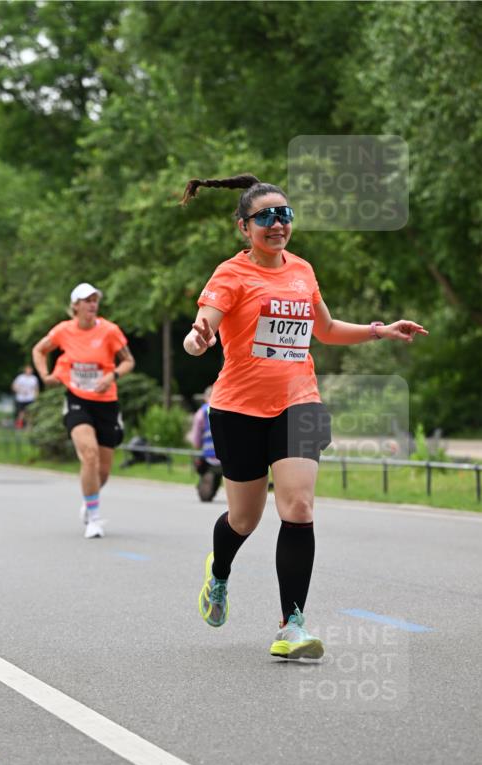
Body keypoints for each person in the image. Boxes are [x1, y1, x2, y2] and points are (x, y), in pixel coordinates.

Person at [182, 173, 427, 659]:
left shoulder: (303, 271)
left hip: (300, 401)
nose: (278, 224)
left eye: (285, 215)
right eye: (266, 217)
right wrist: (197, 339)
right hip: (238, 409)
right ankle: (220, 573)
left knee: (299, 508)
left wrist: (381, 330)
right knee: (244, 518)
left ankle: (291, 624)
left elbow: (328, 328)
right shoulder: (230, 274)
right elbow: (203, 324)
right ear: (243, 227)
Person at [32, 282, 135, 538]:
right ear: (75, 306)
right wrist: (44, 374)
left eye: (94, 300)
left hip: (106, 403)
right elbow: (39, 349)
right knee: (89, 455)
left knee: (103, 470)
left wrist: (111, 377)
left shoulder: (110, 331)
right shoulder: (63, 331)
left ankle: (89, 499)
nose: (92, 304)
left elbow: (129, 361)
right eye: (86, 300)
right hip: (77, 399)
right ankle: (94, 518)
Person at [189, 386, 223, 502]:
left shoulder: (202, 412)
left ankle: (206, 483)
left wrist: (197, 445)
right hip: (225, 455)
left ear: (205, 397)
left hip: (208, 455)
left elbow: (196, 438)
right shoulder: (226, 409)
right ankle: (214, 486)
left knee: (201, 464)